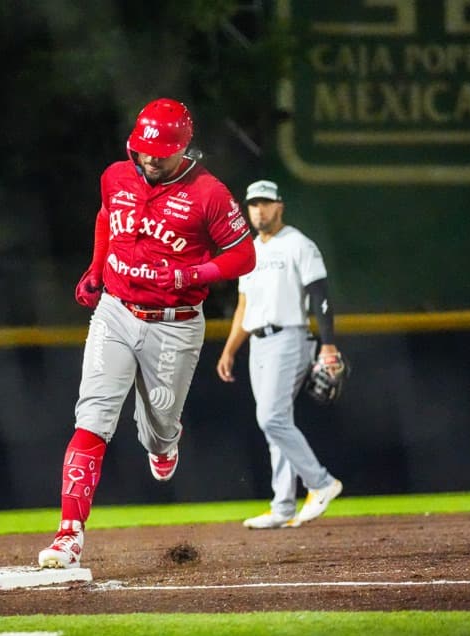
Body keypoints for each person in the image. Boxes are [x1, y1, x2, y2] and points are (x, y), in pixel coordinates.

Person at [37, 98, 256, 568]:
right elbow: (104, 218)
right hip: (115, 312)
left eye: (160, 151)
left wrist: (190, 275)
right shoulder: (116, 175)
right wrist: (96, 270)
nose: (150, 158)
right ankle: (68, 534)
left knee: (156, 430)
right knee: (92, 417)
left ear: (183, 148)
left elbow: (244, 257)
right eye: (143, 150)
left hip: (174, 326)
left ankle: (164, 440)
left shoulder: (208, 193)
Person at [215, 179, 343, 529]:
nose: (260, 210)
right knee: (276, 423)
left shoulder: (298, 244)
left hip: (290, 336)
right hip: (258, 341)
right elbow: (244, 305)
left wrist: (328, 343)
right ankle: (283, 505)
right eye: (254, 204)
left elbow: (321, 295)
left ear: (279, 206)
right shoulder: (248, 251)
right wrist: (229, 350)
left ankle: (320, 483)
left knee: (271, 418)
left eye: (266, 204)